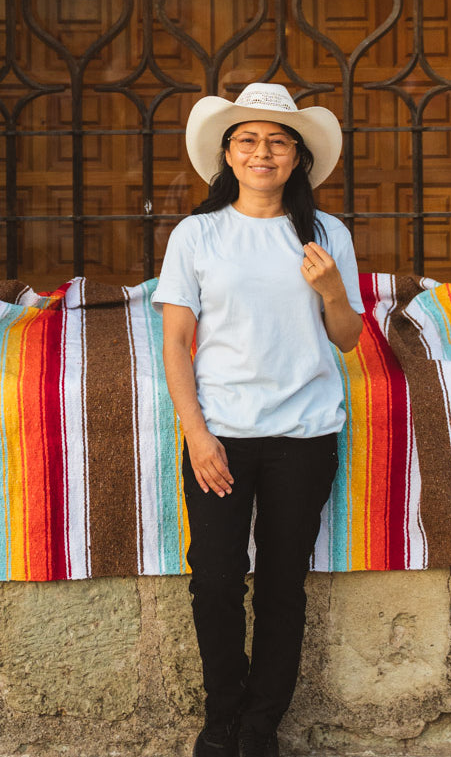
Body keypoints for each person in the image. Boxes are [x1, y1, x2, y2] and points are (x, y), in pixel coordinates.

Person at [153, 83, 365, 757]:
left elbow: (349, 335)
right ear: (227, 153)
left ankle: (259, 728)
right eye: (247, 138)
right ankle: (222, 716)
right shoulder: (198, 234)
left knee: (281, 583)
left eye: (277, 140)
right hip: (221, 437)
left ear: (298, 157)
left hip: (304, 437)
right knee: (215, 578)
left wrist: (332, 290)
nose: (262, 151)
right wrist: (195, 430)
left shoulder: (327, 234)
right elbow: (176, 341)